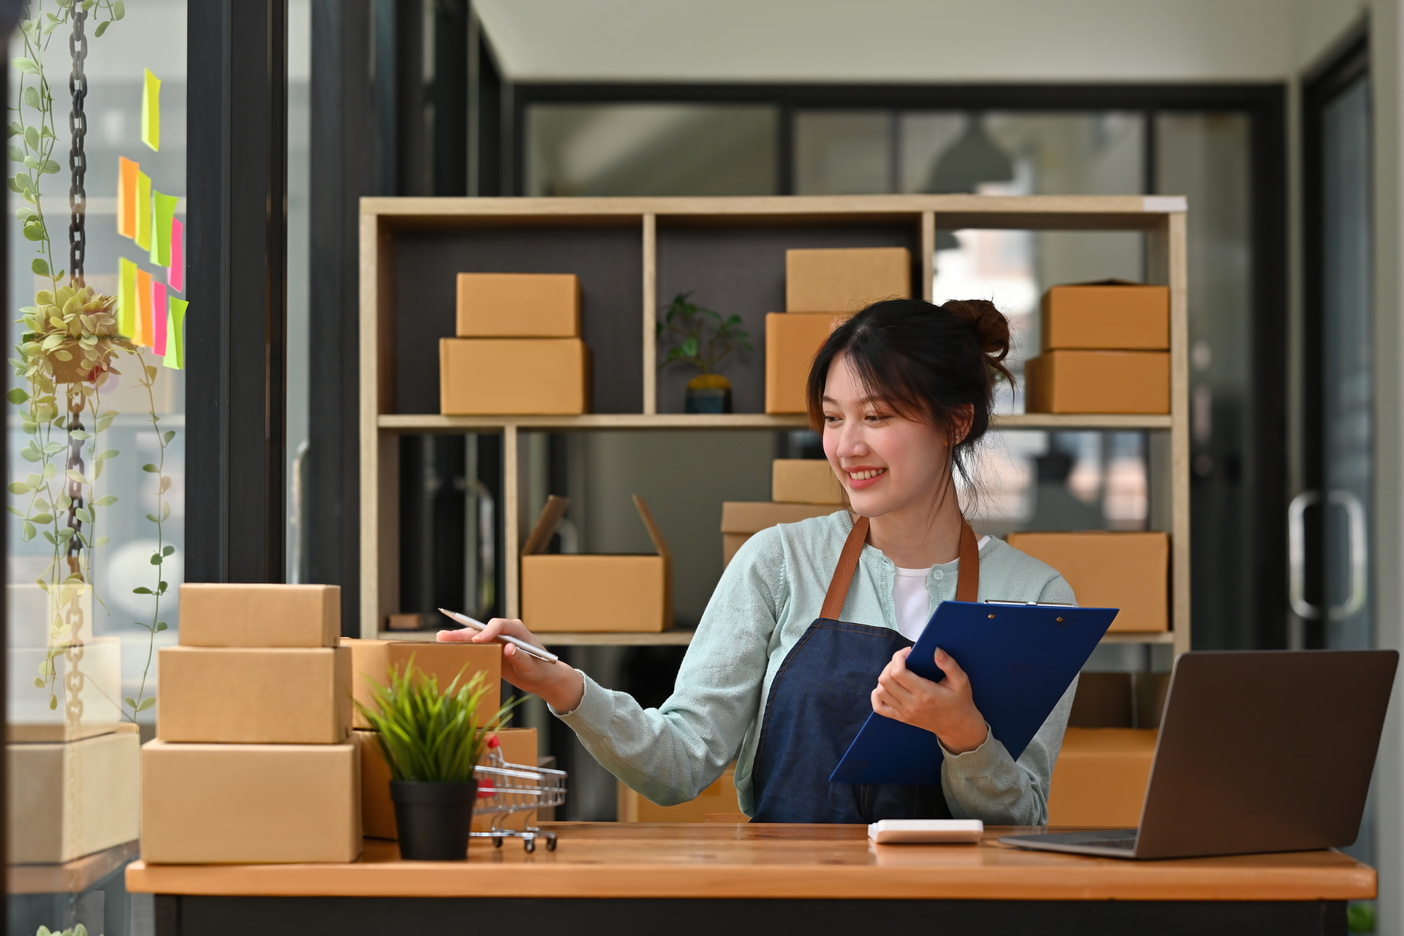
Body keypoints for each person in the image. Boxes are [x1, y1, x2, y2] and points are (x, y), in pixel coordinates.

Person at [439, 297, 1078, 824]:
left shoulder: (1036, 598)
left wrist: (965, 735)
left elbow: (1023, 819)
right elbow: (680, 765)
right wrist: (561, 684)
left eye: (877, 416)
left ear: (955, 422)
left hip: (956, 915)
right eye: (832, 418)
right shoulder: (780, 562)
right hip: (788, 905)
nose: (847, 444)